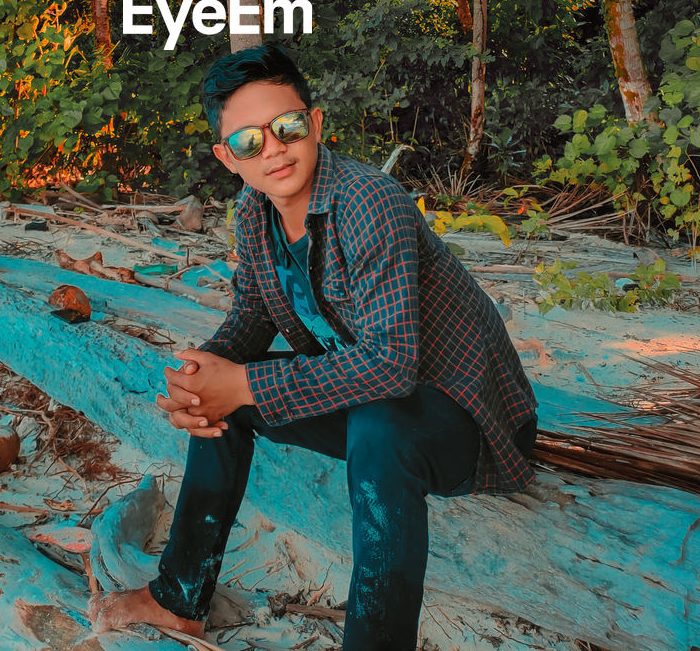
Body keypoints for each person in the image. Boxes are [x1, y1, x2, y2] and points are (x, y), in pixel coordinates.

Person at [89, 44, 539, 650]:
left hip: (465, 418)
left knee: (380, 426)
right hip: (369, 397)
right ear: (228, 157)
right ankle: (180, 596)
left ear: (316, 124)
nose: (273, 148)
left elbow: (392, 363)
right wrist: (200, 376)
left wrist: (244, 383)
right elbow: (252, 314)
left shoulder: (368, 202)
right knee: (229, 398)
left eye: (288, 127)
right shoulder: (254, 213)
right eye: (249, 141)